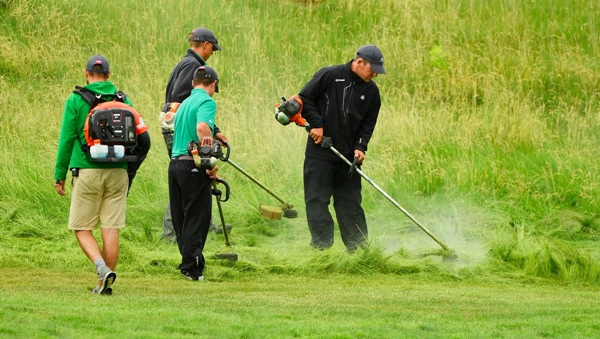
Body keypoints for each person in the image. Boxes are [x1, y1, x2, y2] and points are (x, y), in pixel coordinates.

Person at [54, 55, 144, 295]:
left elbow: (67, 139)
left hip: (87, 170)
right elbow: (141, 135)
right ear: (108, 75)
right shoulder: (124, 99)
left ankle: (101, 268)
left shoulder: (75, 99)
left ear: (86, 73)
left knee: (82, 227)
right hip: (119, 172)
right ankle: (103, 284)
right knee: (111, 228)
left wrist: (59, 174)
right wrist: (130, 169)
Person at [297, 44, 386, 252]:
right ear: (359, 62)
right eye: (372, 69)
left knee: (350, 202)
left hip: (347, 156)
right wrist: (317, 123)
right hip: (320, 151)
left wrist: (360, 147)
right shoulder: (330, 75)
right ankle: (322, 248)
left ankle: (358, 249)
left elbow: (368, 124)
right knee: (317, 199)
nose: (375, 74)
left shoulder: (372, 92)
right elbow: (305, 99)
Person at [161, 27, 227, 242]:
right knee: (188, 173)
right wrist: (212, 131)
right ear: (205, 44)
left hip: (177, 127)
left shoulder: (185, 62)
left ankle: (203, 224)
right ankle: (173, 231)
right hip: (180, 131)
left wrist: (213, 130)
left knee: (193, 175)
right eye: (212, 49)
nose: (211, 53)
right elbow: (184, 101)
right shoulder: (194, 65)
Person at [168, 65, 220, 280]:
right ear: (214, 84)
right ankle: (193, 267)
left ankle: (186, 262)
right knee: (197, 218)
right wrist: (208, 157)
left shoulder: (184, 104)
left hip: (175, 165)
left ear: (193, 83)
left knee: (181, 217)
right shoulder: (207, 101)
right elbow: (201, 128)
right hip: (193, 165)